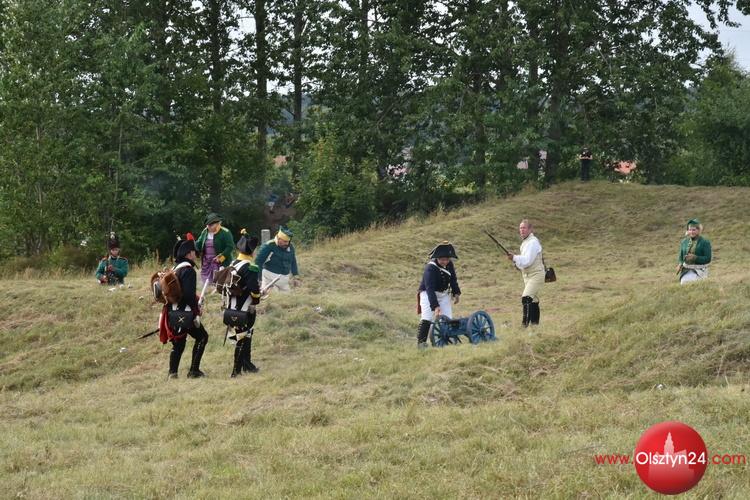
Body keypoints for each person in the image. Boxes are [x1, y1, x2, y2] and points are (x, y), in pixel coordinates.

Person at [162, 233, 210, 379]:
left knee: (178, 343)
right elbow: (188, 295)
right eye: (194, 252)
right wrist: (196, 310)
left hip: (173, 312)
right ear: (189, 254)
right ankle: (194, 371)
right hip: (186, 313)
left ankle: (172, 373)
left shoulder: (176, 268)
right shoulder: (188, 270)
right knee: (202, 337)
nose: (195, 254)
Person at [224, 229, 263, 377]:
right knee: (242, 337)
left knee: (245, 335)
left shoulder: (233, 263)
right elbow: (254, 290)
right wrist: (258, 296)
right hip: (244, 308)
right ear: (251, 252)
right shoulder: (250, 267)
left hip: (231, 307)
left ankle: (247, 365)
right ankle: (236, 372)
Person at [416, 241, 462, 348]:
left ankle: (445, 341)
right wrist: (435, 306)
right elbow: (430, 289)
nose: (445, 262)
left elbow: (453, 279)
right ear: (437, 258)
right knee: (427, 318)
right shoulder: (430, 268)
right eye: (442, 259)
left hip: (443, 294)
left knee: (447, 318)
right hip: (428, 294)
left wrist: (456, 292)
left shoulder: (449, 264)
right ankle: (421, 343)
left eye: (447, 259)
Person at [507, 219, 544, 327]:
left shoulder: (533, 242)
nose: (521, 230)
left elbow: (527, 260)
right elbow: (523, 263)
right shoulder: (525, 243)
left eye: (524, 228)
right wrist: (516, 262)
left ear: (530, 229)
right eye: (520, 228)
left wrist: (515, 257)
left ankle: (524, 326)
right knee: (533, 300)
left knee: (526, 298)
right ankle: (535, 326)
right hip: (527, 276)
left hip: (536, 274)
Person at [254, 226, 299, 293]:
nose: (287, 244)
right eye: (285, 241)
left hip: (284, 281)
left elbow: (293, 261)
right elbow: (258, 262)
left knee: (286, 298)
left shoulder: (290, 246)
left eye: (288, 241)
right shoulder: (269, 245)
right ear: (279, 239)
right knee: (272, 296)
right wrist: (259, 279)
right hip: (269, 279)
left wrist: (295, 276)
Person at [195, 212, 235, 285]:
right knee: (206, 284)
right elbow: (199, 243)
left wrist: (221, 258)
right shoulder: (205, 231)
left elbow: (230, 247)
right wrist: (192, 245)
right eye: (207, 225)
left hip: (220, 262)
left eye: (211, 225)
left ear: (218, 223)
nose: (209, 227)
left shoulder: (226, 232)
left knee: (219, 283)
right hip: (207, 262)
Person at [677, 219, 712, 284]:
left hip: (700, 271)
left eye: (694, 230)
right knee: (684, 283)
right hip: (686, 271)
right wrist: (680, 264)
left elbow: (708, 259)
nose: (691, 232)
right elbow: (681, 257)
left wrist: (695, 258)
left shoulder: (705, 242)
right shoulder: (684, 242)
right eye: (690, 230)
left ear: (699, 230)